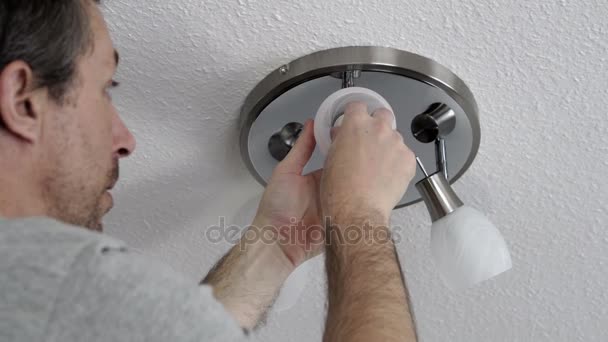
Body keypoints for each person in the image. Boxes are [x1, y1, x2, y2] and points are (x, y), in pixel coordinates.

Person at [0, 1, 418, 341]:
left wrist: (276, 241)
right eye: (105, 88)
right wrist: (358, 214)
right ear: (23, 102)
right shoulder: (75, 285)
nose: (126, 139)